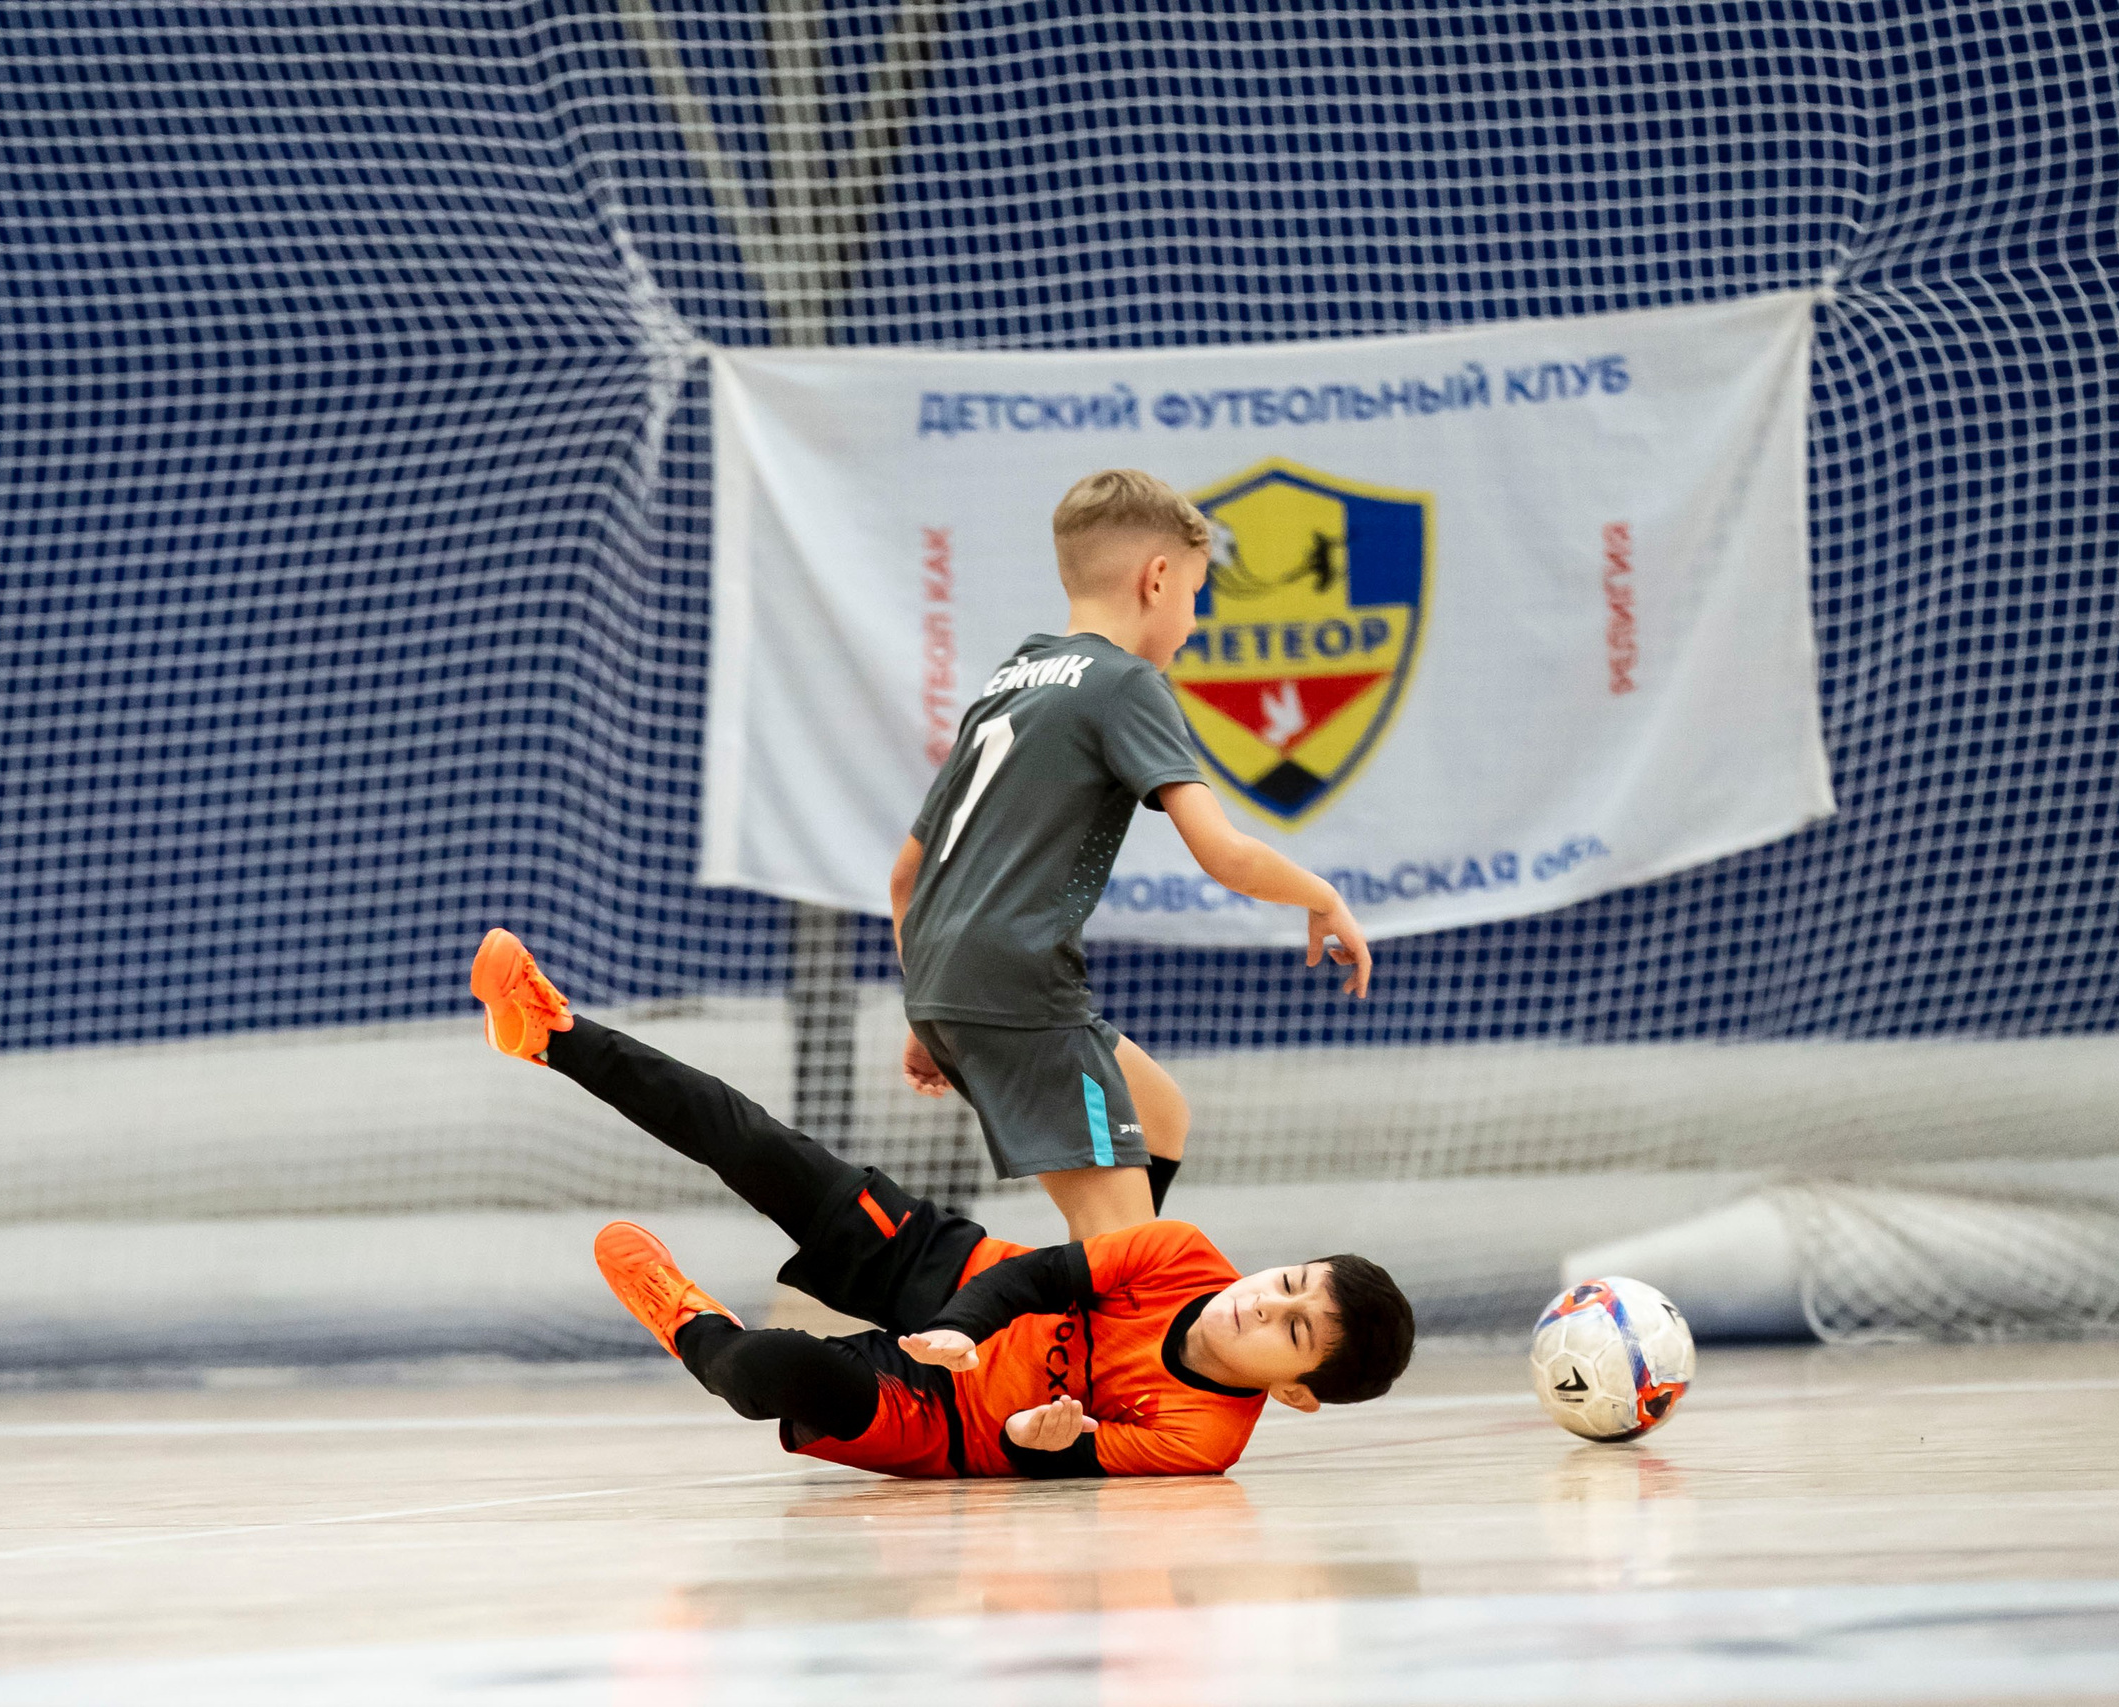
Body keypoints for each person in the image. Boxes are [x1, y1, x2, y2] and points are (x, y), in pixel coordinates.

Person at [472, 928, 1414, 1480]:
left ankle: (685, 1319)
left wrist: (1034, 1435)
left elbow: (1064, 1466)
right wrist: (981, 1051)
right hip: (956, 1273)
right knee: (755, 1141)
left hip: (943, 1416)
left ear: (1293, 1391)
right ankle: (550, 1030)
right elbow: (1047, 1265)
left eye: (1291, 1330)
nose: (1264, 1301)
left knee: (767, 1368)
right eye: (1288, 1281)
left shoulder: (1201, 1436)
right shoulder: (1178, 1252)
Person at [890, 468, 1376, 1240]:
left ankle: (1096, 1320)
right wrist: (1320, 894)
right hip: (1019, 988)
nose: (1192, 618)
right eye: (1195, 593)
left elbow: (908, 875)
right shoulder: (1125, 683)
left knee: (1159, 1115)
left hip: (948, 978)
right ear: (1157, 579)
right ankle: (1055, 1344)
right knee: (1118, 1247)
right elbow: (1222, 852)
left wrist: (931, 1002)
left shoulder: (1015, 674)